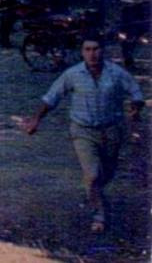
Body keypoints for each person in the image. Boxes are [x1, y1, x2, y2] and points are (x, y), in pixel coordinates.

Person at [21, 38, 144, 233]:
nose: (92, 54)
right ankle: (99, 213)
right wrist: (36, 119)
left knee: (107, 172)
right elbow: (51, 97)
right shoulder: (72, 74)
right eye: (87, 49)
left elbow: (136, 91)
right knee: (93, 175)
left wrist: (136, 108)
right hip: (83, 131)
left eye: (96, 49)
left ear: (102, 51)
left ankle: (93, 193)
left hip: (112, 130)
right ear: (82, 52)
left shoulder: (116, 73)